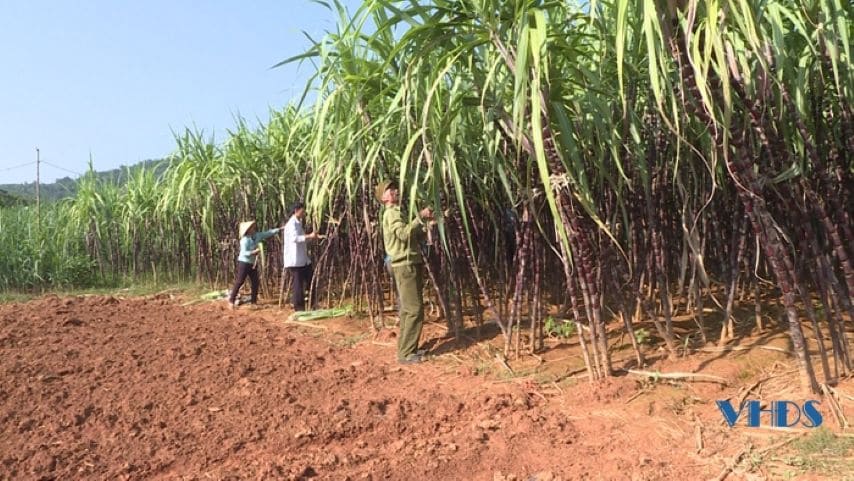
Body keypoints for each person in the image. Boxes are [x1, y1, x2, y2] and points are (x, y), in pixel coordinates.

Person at [375, 180, 433, 364]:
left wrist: (425, 226)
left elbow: (410, 235)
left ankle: (408, 349)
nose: (394, 191)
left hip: (407, 262)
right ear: (383, 198)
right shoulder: (392, 213)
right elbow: (403, 234)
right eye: (389, 190)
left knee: (409, 309)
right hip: (404, 264)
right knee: (414, 309)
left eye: (394, 188)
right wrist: (420, 217)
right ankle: (406, 354)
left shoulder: (396, 212)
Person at [228, 220, 283, 309]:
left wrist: (279, 229)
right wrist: (254, 252)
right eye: (252, 227)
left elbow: (267, 233)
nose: (254, 228)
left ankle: (253, 302)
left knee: (255, 282)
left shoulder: (257, 236)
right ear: (248, 230)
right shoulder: (244, 240)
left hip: (252, 263)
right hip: (244, 263)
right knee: (240, 281)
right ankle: (231, 301)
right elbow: (244, 253)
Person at [283, 201, 320, 311]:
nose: (303, 213)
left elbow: (302, 239)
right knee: (298, 285)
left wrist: (311, 238)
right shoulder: (291, 224)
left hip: (302, 259)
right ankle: (298, 308)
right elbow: (295, 238)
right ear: (296, 211)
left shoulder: (297, 223)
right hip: (295, 260)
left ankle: (312, 303)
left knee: (310, 279)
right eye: (302, 211)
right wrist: (309, 236)